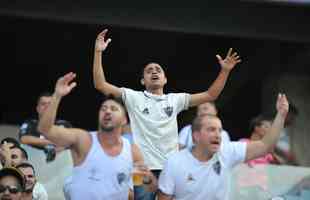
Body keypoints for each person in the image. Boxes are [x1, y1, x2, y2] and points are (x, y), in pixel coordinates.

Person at [92, 29, 241, 177]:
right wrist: (98, 52)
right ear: (143, 81)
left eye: (158, 70)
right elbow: (100, 85)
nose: (154, 72)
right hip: (141, 168)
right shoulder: (133, 96)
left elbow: (210, 95)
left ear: (165, 79)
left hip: (171, 169)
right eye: (149, 71)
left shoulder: (176, 99)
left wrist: (225, 71)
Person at [37, 72, 156, 200]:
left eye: (114, 109)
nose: (108, 111)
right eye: (104, 108)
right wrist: (57, 95)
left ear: (124, 120)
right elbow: (45, 129)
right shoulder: (83, 139)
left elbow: (145, 188)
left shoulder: (133, 151)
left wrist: (148, 180)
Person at [158, 93, 289, 200]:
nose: (218, 135)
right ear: (196, 135)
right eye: (211, 130)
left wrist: (281, 115)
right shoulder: (174, 162)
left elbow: (265, 146)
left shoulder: (227, 151)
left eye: (220, 130)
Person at [19, 92, 72, 162]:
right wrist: (50, 142)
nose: (47, 106)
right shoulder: (31, 123)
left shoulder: (64, 124)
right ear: (37, 108)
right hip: (34, 163)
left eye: (50, 104)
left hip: (60, 165)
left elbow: (71, 142)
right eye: (43, 104)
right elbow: (24, 139)